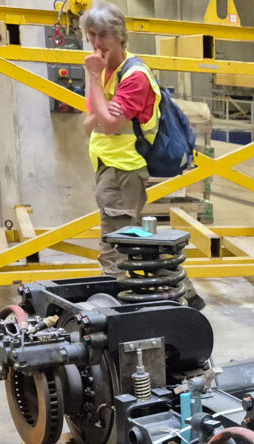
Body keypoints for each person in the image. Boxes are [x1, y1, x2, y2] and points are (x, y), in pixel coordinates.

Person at [81, 1, 203, 309]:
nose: (96, 43)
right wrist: (101, 111)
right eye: (91, 35)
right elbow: (88, 125)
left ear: (120, 35)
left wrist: (94, 83)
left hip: (124, 169)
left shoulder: (134, 76)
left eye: (103, 35)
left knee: (113, 249)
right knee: (134, 241)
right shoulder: (107, 73)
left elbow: (109, 125)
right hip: (109, 167)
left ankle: (114, 314)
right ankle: (186, 292)